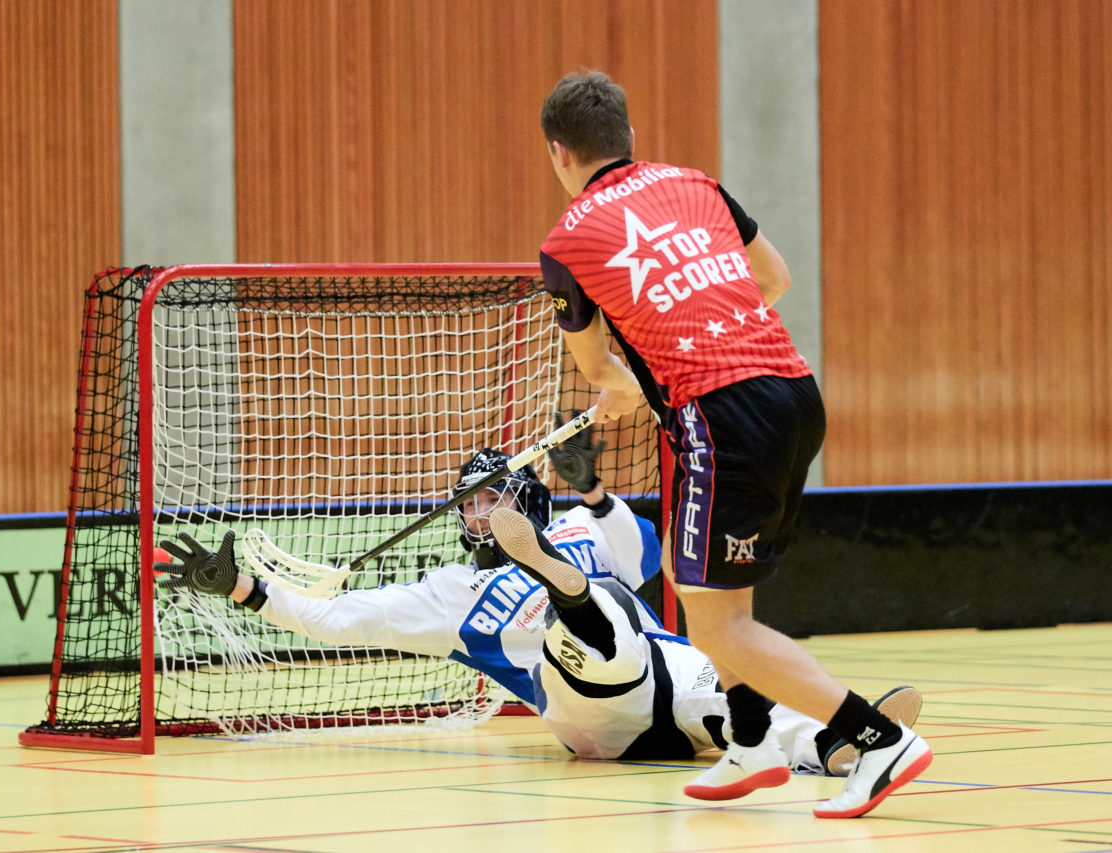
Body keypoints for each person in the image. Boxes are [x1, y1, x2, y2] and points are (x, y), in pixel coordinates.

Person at [535, 69, 932, 818]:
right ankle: (751, 743)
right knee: (703, 585)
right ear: (628, 137)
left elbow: (595, 368)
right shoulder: (696, 185)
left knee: (720, 622)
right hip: (793, 390)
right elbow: (772, 278)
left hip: (721, 418)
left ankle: (877, 739)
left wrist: (632, 383)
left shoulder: (567, 241)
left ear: (560, 153)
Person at [155, 428, 920, 773]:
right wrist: (242, 588)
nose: (471, 514)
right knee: (591, 627)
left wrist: (591, 487)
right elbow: (331, 616)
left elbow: (649, 551)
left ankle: (829, 745)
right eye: (467, 503)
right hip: (582, 702)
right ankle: (566, 590)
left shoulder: (591, 526)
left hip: (657, 679)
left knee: (710, 675)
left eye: (487, 498)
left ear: (523, 496)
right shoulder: (448, 593)